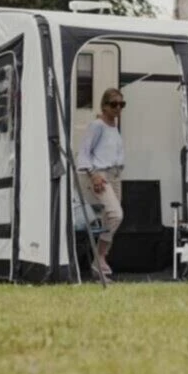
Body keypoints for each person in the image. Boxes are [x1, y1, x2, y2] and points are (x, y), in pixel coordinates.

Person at [76, 87, 126, 279]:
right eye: (114, 104)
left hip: (115, 175)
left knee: (109, 219)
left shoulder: (114, 126)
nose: (118, 108)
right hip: (101, 175)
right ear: (104, 106)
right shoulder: (97, 125)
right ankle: (100, 257)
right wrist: (93, 174)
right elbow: (83, 152)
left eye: (121, 104)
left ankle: (99, 263)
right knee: (116, 214)